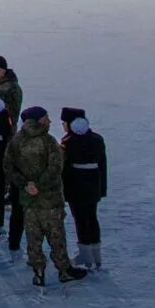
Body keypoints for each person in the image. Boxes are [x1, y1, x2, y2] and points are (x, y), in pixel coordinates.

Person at [3, 105, 88, 285]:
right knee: (56, 236)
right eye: (46, 117)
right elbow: (56, 167)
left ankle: (38, 271)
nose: (49, 121)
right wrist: (39, 184)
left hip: (29, 200)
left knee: (33, 237)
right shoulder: (49, 141)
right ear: (38, 120)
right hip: (50, 199)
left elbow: (8, 166)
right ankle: (64, 270)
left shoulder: (16, 142)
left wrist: (26, 185)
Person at [61, 106, 107, 270]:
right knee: (92, 218)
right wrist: (102, 189)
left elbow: (65, 169)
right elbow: (103, 166)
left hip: (76, 187)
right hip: (94, 185)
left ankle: (85, 255)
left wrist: (63, 191)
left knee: (80, 220)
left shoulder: (68, 142)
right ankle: (96, 255)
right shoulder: (97, 139)